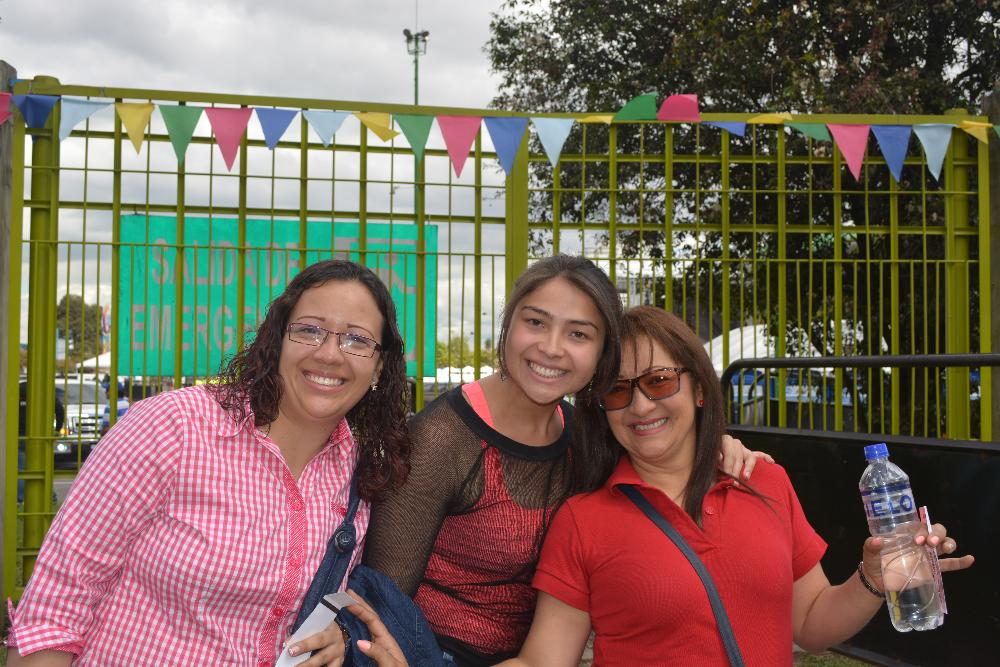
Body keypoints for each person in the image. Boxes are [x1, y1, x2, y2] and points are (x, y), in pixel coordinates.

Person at [499, 306, 975, 667]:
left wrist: (872, 579)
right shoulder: (583, 521)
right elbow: (543, 661)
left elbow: (811, 626)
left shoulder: (765, 481)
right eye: (617, 391)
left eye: (659, 381)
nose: (640, 407)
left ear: (699, 388)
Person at [364, 255, 768, 666]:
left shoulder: (590, 435)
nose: (551, 348)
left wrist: (715, 445)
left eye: (578, 334)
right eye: (535, 322)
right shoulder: (441, 439)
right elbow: (380, 604)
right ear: (508, 325)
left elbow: (662, 456)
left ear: (603, 354)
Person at [7, 260, 412, 667]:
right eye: (309, 330)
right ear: (277, 340)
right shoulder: (173, 427)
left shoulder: (359, 473)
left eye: (357, 340)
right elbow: (55, 609)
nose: (329, 354)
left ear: (379, 367)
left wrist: (339, 636)